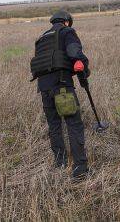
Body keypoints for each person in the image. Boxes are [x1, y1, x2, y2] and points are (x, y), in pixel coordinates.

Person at [30, 10, 90, 179]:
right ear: (66, 22)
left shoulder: (41, 38)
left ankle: (60, 162)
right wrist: (84, 69)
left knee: (54, 125)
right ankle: (80, 168)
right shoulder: (67, 32)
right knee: (73, 124)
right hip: (61, 86)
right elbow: (74, 54)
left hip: (44, 88)